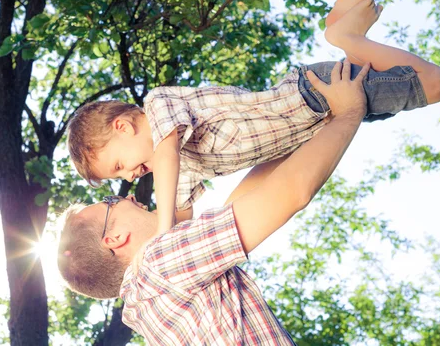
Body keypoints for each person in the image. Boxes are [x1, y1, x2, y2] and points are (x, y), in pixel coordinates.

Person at [66, 0, 440, 243]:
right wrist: (160, 247)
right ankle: (345, 33)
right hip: (320, 118)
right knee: (399, 82)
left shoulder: (160, 108)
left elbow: (166, 158)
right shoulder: (186, 168)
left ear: (123, 127)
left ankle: (343, 36)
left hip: (313, 93)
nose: (131, 177)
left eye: (119, 166)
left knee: (433, 83)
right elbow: (187, 226)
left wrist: (162, 225)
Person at [58, 59, 368, 344]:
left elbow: (245, 203)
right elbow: (293, 191)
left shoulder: (147, 305)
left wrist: (312, 127)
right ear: (114, 238)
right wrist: (350, 112)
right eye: (112, 200)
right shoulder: (159, 262)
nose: (129, 195)